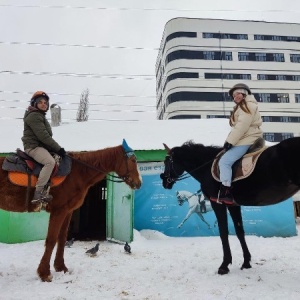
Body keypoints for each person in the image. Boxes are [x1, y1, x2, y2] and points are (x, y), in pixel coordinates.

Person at [218, 83, 263, 204]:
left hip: (247, 139)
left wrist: (230, 142)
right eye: (233, 96)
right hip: (245, 138)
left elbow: (242, 126)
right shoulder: (244, 106)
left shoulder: (247, 106)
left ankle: (226, 192)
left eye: (237, 94)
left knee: (224, 161)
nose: (234, 98)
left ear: (243, 93)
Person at [22, 91, 66, 203]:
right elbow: (43, 136)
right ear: (34, 104)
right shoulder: (34, 116)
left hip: (40, 146)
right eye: (40, 102)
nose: (43, 104)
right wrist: (58, 148)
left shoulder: (40, 116)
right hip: (33, 147)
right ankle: (38, 193)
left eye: (45, 102)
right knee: (50, 162)